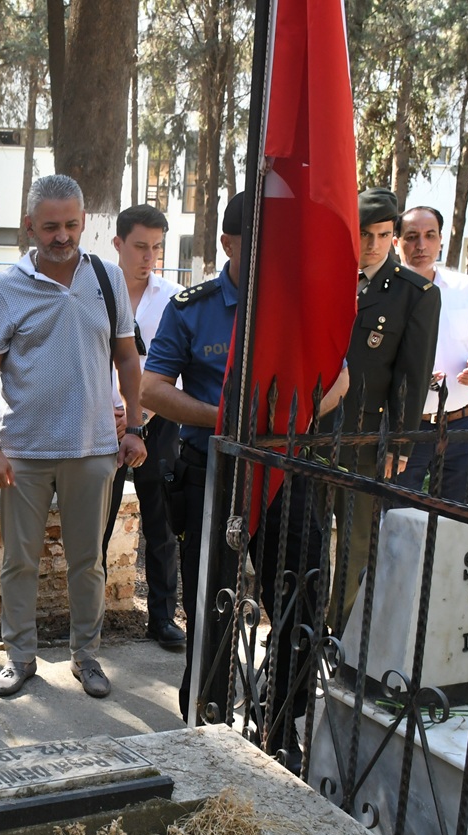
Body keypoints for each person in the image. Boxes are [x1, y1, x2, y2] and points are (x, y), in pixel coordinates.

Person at [142, 192, 342, 768]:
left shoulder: (300, 304)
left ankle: (282, 722)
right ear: (228, 244)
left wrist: (290, 421)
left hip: (285, 471)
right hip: (214, 472)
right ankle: (201, 722)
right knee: (213, 602)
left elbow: (341, 378)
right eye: (257, 248)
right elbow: (154, 388)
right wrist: (227, 422)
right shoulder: (193, 307)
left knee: (299, 599)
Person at [0, 173, 147, 700]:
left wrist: (135, 426)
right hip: (23, 453)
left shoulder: (106, 278)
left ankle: (87, 655)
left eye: (71, 224)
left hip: (93, 449)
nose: (62, 236)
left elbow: (126, 357)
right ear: (30, 226)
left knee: (87, 561)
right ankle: (19, 656)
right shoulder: (7, 289)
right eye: (50, 226)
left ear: (84, 223)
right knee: (20, 561)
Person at [327, 188, 440, 627]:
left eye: (381, 235)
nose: (371, 245)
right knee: (309, 536)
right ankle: (302, 624)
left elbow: (411, 378)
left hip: (367, 438)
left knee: (355, 542)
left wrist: (401, 444)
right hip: (317, 429)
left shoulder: (415, 293)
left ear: (393, 237)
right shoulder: (332, 277)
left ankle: (338, 631)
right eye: (363, 235)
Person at [104, 204, 186, 649]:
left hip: (159, 426)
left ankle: (162, 619)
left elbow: (174, 369)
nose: (148, 256)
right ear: (118, 244)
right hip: (104, 424)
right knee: (97, 522)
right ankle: (89, 618)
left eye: (156, 247)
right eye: (140, 246)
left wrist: (141, 413)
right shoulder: (94, 293)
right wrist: (112, 413)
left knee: (162, 527)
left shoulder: (175, 298)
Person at [393, 206, 468, 501]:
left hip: (462, 426)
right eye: (412, 237)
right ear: (396, 243)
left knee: (461, 520)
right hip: (406, 428)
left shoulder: (464, 287)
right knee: (396, 518)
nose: (421, 245)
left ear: (440, 240)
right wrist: (413, 378)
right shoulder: (385, 293)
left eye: (430, 236)